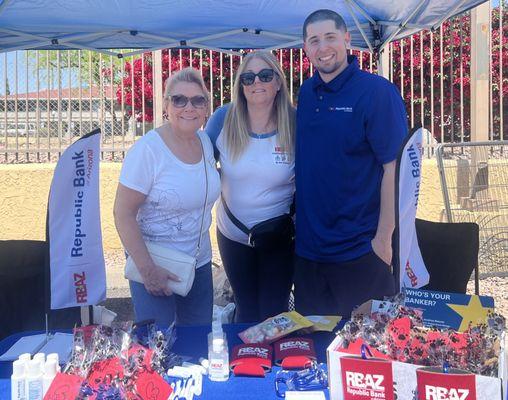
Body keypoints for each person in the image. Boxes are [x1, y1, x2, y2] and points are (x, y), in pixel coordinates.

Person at [294, 9, 408, 318]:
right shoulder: (306, 93)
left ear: (347, 39)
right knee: (313, 351)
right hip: (309, 254)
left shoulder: (377, 92)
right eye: (314, 41)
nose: (323, 48)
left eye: (330, 37)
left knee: (367, 354)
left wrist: (384, 240)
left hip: (360, 250)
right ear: (305, 47)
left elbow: (394, 169)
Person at [114, 67, 220, 326]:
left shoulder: (205, 142)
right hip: (155, 264)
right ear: (166, 106)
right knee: (159, 347)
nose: (189, 107)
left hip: (198, 263)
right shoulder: (148, 151)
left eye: (198, 100)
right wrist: (148, 271)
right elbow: (123, 213)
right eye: (179, 99)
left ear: (206, 107)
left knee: (197, 346)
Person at [205, 51, 296, 323]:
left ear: (278, 82)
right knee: (245, 308)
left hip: (280, 237)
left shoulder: (295, 122)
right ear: (240, 85)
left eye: (266, 75)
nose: (257, 82)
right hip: (234, 236)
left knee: (274, 312)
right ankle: (245, 363)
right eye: (248, 77)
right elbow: (199, 166)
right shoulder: (223, 119)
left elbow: (312, 179)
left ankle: (277, 365)